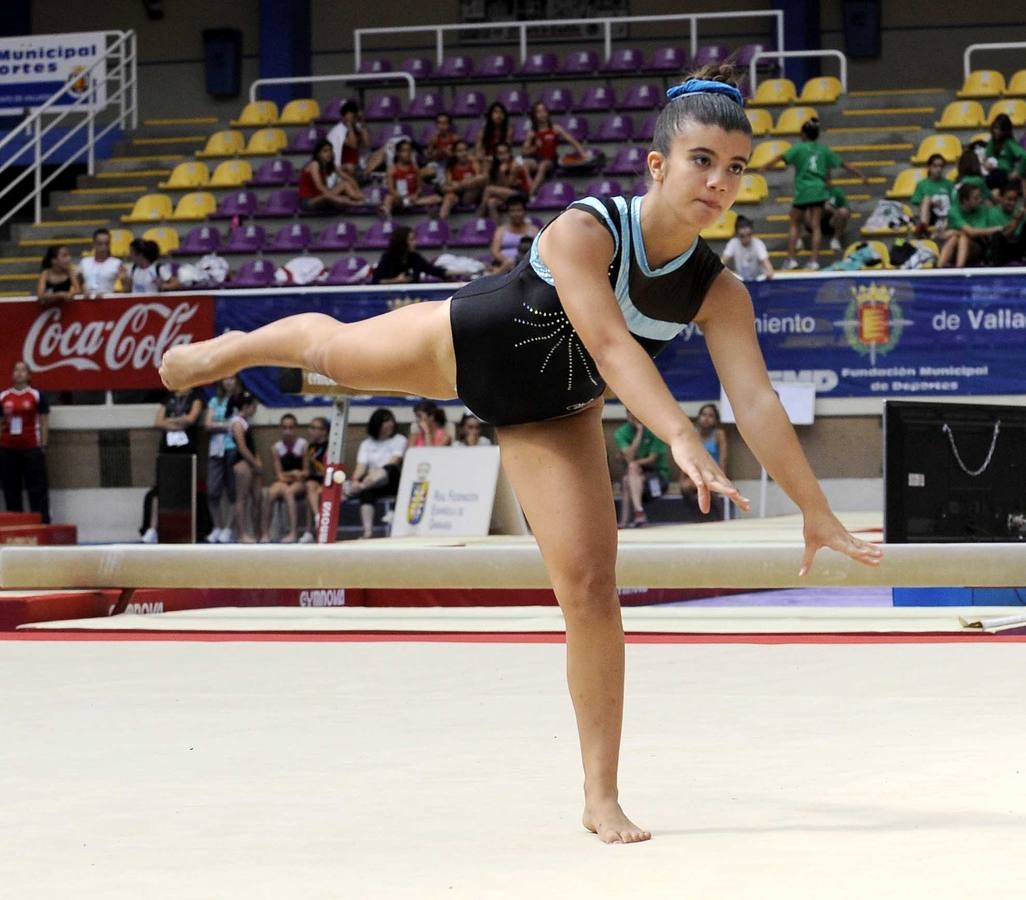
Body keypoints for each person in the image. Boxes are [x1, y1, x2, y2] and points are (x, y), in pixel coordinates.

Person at [160, 66, 883, 843]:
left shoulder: (719, 293)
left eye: (735, 168)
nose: (719, 181)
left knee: (590, 589)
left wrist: (815, 510)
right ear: (657, 165)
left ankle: (599, 796)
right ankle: (232, 348)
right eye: (702, 160)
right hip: (467, 347)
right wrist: (677, 432)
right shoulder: (588, 228)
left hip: (553, 412)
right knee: (330, 353)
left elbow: (760, 403)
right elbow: (608, 343)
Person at [750, 118, 867, 271]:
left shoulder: (799, 148)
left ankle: (791, 259)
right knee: (816, 226)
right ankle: (813, 261)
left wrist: (765, 167)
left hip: (803, 190)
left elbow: (781, 157)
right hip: (819, 190)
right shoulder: (823, 150)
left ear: (803, 134)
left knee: (794, 222)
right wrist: (860, 175)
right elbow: (843, 164)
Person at [141, 386, 206, 543]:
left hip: (186, 449)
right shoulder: (168, 397)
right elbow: (157, 422)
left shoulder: (196, 397)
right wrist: (178, 422)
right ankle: (153, 528)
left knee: (186, 488)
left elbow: (191, 419)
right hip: (167, 449)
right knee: (160, 489)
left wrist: (169, 421)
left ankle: (189, 529)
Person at [342, 408, 406, 540]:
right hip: (371, 483)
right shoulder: (367, 444)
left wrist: (363, 482)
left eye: (391, 420)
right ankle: (368, 532)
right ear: (377, 424)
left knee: (388, 469)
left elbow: (394, 461)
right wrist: (355, 480)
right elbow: (360, 468)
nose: (390, 424)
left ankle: (358, 489)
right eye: (386, 421)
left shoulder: (399, 439)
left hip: (392, 480)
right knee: (366, 494)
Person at [0, 361, 51, 524]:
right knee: (11, 491)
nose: (19, 373)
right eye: (16, 370)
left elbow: (44, 422)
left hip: (32, 449)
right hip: (8, 450)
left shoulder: (37, 396)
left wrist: (43, 445)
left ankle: (42, 524)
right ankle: (15, 526)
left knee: (37, 490)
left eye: (23, 370)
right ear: (12, 375)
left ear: (29, 375)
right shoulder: (3, 397)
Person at [614, 410, 670, 529]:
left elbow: (652, 459)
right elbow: (629, 457)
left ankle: (629, 518)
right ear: (627, 415)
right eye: (630, 413)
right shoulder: (621, 432)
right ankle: (635, 515)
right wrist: (639, 432)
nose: (634, 416)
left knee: (631, 470)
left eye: (637, 412)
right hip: (636, 479)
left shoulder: (655, 430)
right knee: (626, 479)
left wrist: (633, 463)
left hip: (657, 479)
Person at [522, 100, 586, 197]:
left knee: (543, 165)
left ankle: (529, 195)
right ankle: (531, 187)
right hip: (537, 159)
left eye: (544, 111)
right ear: (534, 115)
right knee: (525, 164)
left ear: (547, 113)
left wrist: (583, 154)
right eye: (538, 112)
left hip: (551, 160)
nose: (542, 114)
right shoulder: (532, 133)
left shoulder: (555, 128)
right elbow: (524, 152)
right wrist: (535, 147)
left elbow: (572, 141)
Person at [261, 413, 308, 543]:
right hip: (285, 480)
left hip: (299, 483)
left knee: (289, 492)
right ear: (280, 429)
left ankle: (293, 533)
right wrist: (293, 473)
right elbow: (279, 475)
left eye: (291, 428)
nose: (288, 431)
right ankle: (265, 533)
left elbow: (306, 472)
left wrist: (297, 475)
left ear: (296, 428)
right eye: (285, 428)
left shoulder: (303, 444)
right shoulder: (276, 448)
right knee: (271, 493)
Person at [204, 374, 239, 543]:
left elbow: (239, 424)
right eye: (226, 378)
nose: (229, 381)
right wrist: (226, 425)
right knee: (212, 490)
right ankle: (217, 526)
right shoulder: (214, 401)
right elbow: (207, 424)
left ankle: (229, 528)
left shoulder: (240, 400)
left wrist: (218, 425)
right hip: (215, 450)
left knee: (233, 491)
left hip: (232, 448)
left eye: (232, 378)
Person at [680, 402, 729, 522]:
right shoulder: (692, 435)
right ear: (699, 417)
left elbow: (723, 459)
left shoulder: (719, 435)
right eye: (704, 414)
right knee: (685, 487)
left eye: (710, 416)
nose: (706, 418)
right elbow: (685, 458)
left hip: (713, 474)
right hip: (695, 475)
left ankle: (719, 516)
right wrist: (682, 478)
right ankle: (696, 517)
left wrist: (722, 479)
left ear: (716, 420)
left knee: (707, 487)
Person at [936, 182, 1002, 268]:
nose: (980, 200)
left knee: (962, 238)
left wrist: (956, 232)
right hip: (955, 249)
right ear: (965, 200)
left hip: (978, 248)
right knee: (954, 238)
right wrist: (995, 229)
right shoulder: (953, 212)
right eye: (976, 198)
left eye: (980, 196)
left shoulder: (984, 210)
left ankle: (959, 270)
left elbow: (976, 235)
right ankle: (938, 269)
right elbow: (972, 232)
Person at [230, 392, 263, 543]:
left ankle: (259, 534)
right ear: (245, 406)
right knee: (241, 499)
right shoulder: (237, 422)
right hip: (242, 463)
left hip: (250, 463)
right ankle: (241, 534)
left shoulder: (245, 422)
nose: (255, 409)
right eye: (254, 406)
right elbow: (242, 448)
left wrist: (257, 462)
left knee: (257, 498)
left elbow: (252, 446)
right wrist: (255, 463)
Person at [380, 139, 442, 219]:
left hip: (413, 199)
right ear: (398, 153)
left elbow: (419, 187)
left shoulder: (415, 168)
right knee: (388, 198)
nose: (408, 153)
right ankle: (387, 219)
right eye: (404, 151)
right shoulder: (392, 170)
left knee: (437, 198)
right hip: (399, 200)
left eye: (409, 150)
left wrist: (415, 195)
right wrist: (402, 197)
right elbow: (391, 190)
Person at [326, 99, 386, 181]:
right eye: (350, 117)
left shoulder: (358, 126)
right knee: (350, 166)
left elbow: (368, 143)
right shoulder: (338, 132)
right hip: (342, 167)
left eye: (354, 117)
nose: (352, 119)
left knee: (385, 150)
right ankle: (362, 176)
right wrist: (349, 124)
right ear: (343, 117)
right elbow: (353, 145)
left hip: (360, 164)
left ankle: (365, 174)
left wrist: (362, 121)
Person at [298, 139, 364, 212]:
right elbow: (319, 186)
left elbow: (348, 178)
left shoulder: (330, 164)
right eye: (325, 151)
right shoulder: (314, 164)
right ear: (318, 153)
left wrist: (358, 190)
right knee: (327, 196)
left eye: (330, 150)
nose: (329, 153)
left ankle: (362, 199)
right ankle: (356, 204)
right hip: (309, 201)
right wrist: (335, 197)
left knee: (345, 184)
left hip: (321, 196)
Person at [372, 225, 451, 285]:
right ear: (402, 242)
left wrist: (461, 271)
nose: (415, 242)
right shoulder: (388, 258)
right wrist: (396, 280)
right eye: (411, 240)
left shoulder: (416, 258)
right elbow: (376, 281)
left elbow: (436, 271)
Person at [478, 141, 532, 222]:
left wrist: (502, 173)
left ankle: (479, 217)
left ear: (509, 153)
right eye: (499, 154)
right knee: (491, 202)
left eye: (505, 153)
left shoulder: (514, 165)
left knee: (488, 189)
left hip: (520, 194)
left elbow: (507, 186)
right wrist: (487, 167)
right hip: (507, 195)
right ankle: (497, 228)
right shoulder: (497, 166)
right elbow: (495, 185)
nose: (503, 156)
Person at [489, 194, 539, 274]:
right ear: (508, 213)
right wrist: (507, 261)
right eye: (512, 211)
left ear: (524, 212)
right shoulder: (501, 230)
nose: (516, 214)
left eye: (519, 210)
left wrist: (518, 263)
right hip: (504, 264)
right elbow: (494, 251)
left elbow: (537, 252)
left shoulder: (533, 230)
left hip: (525, 267)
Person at [438, 140, 487, 220]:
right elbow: (450, 186)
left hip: (472, 194)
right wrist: (462, 184)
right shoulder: (450, 166)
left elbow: (480, 179)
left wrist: (465, 183)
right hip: (458, 194)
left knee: (479, 180)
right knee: (448, 197)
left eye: (465, 150)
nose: (463, 153)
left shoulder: (473, 163)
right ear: (454, 153)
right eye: (460, 151)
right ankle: (441, 225)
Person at [911, 154, 956, 237]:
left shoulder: (949, 184)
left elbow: (954, 205)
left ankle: (933, 232)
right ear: (929, 167)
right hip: (930, 216)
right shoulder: (922, 184)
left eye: (941, 166)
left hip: (946, 216)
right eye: (935, 166)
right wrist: (932, 204)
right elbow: (917, 205)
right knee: (927, 199)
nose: (938, 169)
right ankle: (923, 228)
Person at [981, 113, 1026, 195]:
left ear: (1005, 131)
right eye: (995, 128)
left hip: (1004, 177)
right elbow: (986, 159)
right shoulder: (991, 142)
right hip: (991, 176)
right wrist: (985, 164)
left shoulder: (1009, 143)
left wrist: (1018, 172)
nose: (997, 131)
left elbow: (1024, 156)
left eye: (1000, 129)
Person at [720, 215, 773, 281]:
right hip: (740, 282)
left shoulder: (758, 243)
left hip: (757, 282)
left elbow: (769, 269)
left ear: (752, 232)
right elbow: (722, 263)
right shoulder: (733, 243)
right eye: (742, 236)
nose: (746, 239)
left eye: (749, 234)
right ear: (737, 234)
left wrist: (768, 274)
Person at [303, 416, 330, 543]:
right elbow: (308, 470)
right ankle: (317, 517)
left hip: (328, 479)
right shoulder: (310, 447)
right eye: (311, 428)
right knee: (309, 487)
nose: (312, 431)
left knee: (316, 493)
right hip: (314, 479)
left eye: (316, 428)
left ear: (324, 431)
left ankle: (311, 530)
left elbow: (331, 469)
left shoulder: (331, 446)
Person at [987, 184, 1026, 266]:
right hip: (1001, 250)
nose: (1012, 203)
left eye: (1015, 200)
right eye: (1009, 199)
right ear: (1001, 198)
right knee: (998, 237)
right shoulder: (992, 213)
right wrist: (1017, 221)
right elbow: (1004, 237)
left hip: (1017, 248)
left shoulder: (1020, 212)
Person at [36, 244, 82, 309]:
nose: (69, 258)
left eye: (68, 255)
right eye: (64, 256)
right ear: (54, 261)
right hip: (49, 311)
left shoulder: (70, 272)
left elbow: (78, 290)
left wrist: (71, 293)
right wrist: (59, 295)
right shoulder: (46, 274)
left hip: (68, 311)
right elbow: (40, 296)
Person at [79, 228, 122, 296]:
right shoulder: (84, 262)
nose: (103, 247)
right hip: (87, 302)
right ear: (93, 244)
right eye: (100, 244)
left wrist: (125, 279)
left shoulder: (116, 263)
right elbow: (79, 283)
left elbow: (127, 289)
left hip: (107, 303)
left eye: (106, 244)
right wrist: (83, 290)